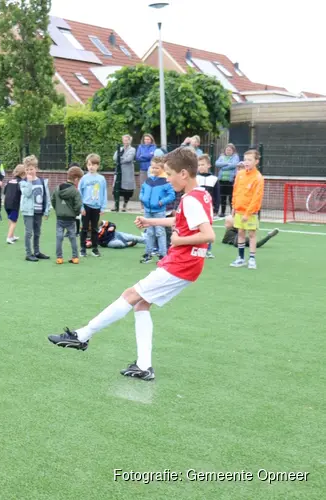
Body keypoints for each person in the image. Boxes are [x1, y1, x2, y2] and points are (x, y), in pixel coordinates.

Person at [47, 147, 215, 382]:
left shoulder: (189, 199)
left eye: (169, 173)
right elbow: (181, 219)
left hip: (181, 264)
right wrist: (150, 221)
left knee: (131, 295)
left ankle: (82, 335)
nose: (167, 179)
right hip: (188, 265)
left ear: (184, 174)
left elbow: (208, 235)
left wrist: (178, 240)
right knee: (141, 305)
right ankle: (144, 366)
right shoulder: (201, 194)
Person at [230, 150, 264, 270]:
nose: (246, 162)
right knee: (240, 233)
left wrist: (248, 213)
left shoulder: (258, 178)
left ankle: (252, 259)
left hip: (250, 213)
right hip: (238, 210)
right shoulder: (240, 174)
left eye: (249, 160)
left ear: (256, 161)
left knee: (252, 234)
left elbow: (256, 198)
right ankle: (240, 258)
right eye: (245, 159)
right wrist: (233, 206)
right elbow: (235, 191)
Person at [139, 157, 175, 263]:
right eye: (152, 167)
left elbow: (171, 195)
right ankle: (148, 254)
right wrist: (142, 198)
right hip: (147, 210)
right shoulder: (148, 180)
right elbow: (142, 190)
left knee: (160, 232)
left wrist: (161, 202)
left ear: (162, 169)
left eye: (157, 168)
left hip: (159, 211)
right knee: (149, 233)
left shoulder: (165, 181)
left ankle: (163, 255)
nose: (154, 170)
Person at [19, 155, 51, 262]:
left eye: (31, 169)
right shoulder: (23, 182)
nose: (29, 172)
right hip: (28, 211)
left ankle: (37, 252)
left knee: (37, 232)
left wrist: (46, 210)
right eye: (27, 169)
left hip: (38, 211)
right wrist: (29, 182)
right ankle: (29, 253)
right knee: (29, 233)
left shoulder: (42, 181)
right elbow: (27, 194)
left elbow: (46, 196)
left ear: (36, 169)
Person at [51, 166, 83, 264]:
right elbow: (78, 204)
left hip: (60, 217)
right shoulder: (75, 191)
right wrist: (75, 213)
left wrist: (58, 210)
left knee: (59, 237)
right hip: (70, 219)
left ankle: (59, 258)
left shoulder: (57, 188)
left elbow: (53, 200)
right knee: (72, 237)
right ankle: (75, 257)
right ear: (76, 179)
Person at [79, 153, 108, 258]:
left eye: (93, 165)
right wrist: (81, 207)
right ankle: (82, 249)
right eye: (89, 164)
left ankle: (95, 249)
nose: (91, 167)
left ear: (98, 166)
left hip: (96, 207)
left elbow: (104, 193)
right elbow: (79, 193)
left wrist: (103, 206)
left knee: (95, 228)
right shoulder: (84, 178)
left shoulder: (101, 179)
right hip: (86, 206)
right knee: (84, 228)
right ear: (86, 165)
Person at [197, 154, 220, 258]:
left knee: (208, 228)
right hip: (197, 207)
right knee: (196, 227)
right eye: (199, 165)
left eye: (202, 164)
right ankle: (197, 247)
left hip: (208, 208)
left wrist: (216, 208)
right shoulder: (195, 178)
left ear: (209, 165)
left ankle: (208, 249)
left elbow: (217, 195)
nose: (200, 167)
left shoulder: (214, 179)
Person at [215, 144, 240, 217]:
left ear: (233, 151)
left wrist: (223, 167)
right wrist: (226, 163)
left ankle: (232, 212)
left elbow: (234, 165)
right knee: (222, 197)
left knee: (231, 197)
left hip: (230, 180)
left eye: (230, 150)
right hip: (222, 180)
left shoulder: (235, 157)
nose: (228, 151)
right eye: (227, 150)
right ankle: (222, 212)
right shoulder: (222, 156)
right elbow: (217, 163)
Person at [113, 134, 136, 212]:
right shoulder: (120, 148)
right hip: (119, 171)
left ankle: (125, 205)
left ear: (130, 141)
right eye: (124, 140)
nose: (125, 142)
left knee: (127, 190)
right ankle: (116, 204)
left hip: (127, 172)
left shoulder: (132, 149)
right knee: (116, 188)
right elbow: (115, 158)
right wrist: (121, 159)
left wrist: (120, 160)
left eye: (127, 140)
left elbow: (129, 159)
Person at [4, 164, 25, 244]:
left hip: (6, 203)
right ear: (23, 173)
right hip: (14, 204)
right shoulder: (21, 182)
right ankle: (9, 238)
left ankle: (12, 235)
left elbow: (5, 191)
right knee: (14, 221)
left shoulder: (9, 181)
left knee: (10, 219)